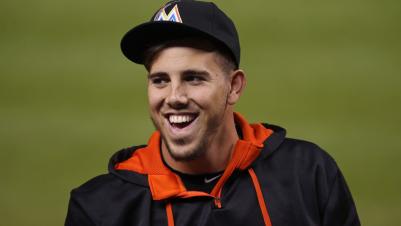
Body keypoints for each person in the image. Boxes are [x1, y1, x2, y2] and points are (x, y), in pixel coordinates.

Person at [65, 1, 360, 225]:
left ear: (234, 87)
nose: (174, 97)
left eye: (194, 78)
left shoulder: (307, 176)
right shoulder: (99, 209)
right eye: (160, 80)